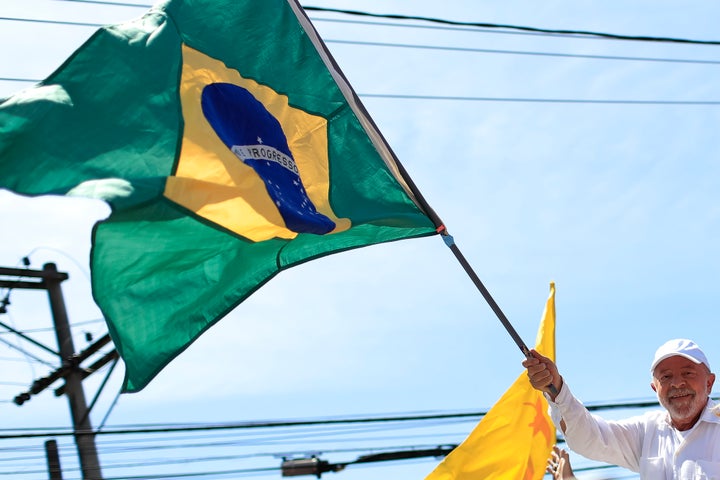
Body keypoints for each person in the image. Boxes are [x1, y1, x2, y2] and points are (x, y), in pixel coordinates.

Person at [523, 338, 720, 479]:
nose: (677, 383)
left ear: (709, 383)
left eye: (688, 373)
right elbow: (592, 438)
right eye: (666, 377)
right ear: (655, 388)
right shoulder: (647, 431)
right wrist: (556, 389)